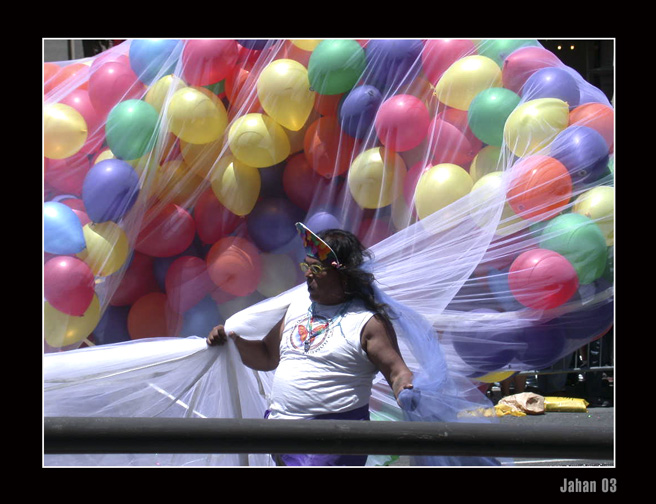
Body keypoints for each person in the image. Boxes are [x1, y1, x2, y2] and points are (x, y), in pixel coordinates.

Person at [207, 223, 414, 466]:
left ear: (343, 274)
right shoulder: (298, 306)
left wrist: (407, 391)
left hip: (333, 441)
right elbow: (266, 356)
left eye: (316, 268)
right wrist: (232, 341)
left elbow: (397, 372)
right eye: (306, 266)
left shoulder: (367, 323)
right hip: (281, 435)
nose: (307, 274)